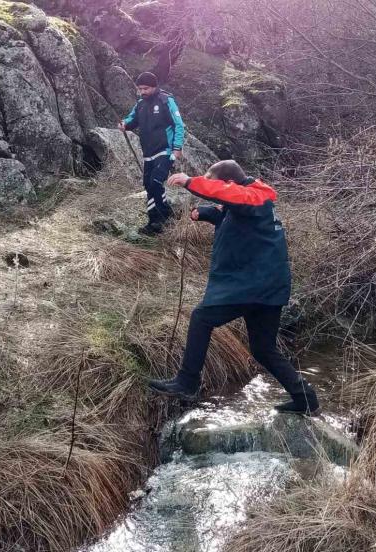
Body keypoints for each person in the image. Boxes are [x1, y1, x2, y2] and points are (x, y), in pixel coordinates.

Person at [148, 160, 321, 415]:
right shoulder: (253, 201)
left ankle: (187, 382)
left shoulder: (254, 197)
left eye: (215, 183)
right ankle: (305, 398)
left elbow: (232, 198)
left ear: (229, 183)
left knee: (202, 318)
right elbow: (233, 214)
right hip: (267, 287)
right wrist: (205, 213)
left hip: (254, 286)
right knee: (263, 349)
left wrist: (190, 182)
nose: (215, 189)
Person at [118, 72, 186, 236]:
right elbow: (132, 120)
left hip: (165, 151)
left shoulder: (166, 100)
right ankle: (152, 221)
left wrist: (177, 148)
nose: (142, 91)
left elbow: (179, 125)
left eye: (146, 88)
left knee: (155, 182)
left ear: (154, 86)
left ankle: (164, 218)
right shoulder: (140, 104)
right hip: (148, 153)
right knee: (148, 185)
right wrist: (124, 124)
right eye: (140, 89)